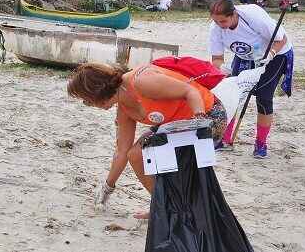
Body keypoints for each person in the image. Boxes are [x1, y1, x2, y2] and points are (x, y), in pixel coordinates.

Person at [67, 62, 227, 219]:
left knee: (166, 155)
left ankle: (175, 208)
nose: (87, 104)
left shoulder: (141, 81)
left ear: (96, 93)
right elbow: (122, 152)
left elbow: (190, 92)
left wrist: (198, 122)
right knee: (135, 154)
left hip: (208, 114)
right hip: (173, 125)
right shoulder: (123, 108)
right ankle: (163, 205)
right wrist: (107, 188)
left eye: (86, 99)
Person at [208, 0, 294, 159]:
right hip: (245, 54)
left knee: (263, 97)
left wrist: (271, 54)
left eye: (223, 21)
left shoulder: (253, 16)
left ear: (234, 14)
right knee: (232, 93)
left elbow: (281, 39)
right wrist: (222, 69)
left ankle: (261, 143)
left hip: (276, 53)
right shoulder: (216, 28)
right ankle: (224, 138)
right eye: (216, 21)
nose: (220, 25)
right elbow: (216, 59)